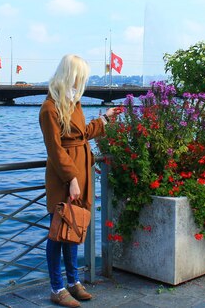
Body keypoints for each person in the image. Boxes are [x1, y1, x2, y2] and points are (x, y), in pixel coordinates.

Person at [39, 54, 120, 307]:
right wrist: (72, 177)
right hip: (65, 176)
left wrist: (104, 119)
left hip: (81, 171)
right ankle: (57, 287)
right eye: (79, 77)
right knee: (57, 232)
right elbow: (55, 148)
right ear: (69, 76)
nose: (81, 82)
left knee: (73, 229)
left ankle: (73, 281)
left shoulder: (73, 103)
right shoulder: (49, 108)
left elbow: (81, 135)